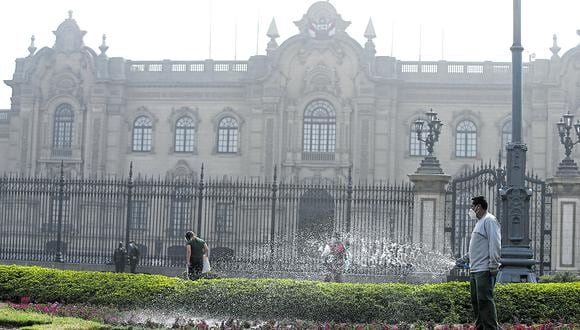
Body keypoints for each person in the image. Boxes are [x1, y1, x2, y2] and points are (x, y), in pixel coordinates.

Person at [456, 195, 501, 330]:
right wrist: (463, 259)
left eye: (472, 207)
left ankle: (491, 328)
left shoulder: (490, 221)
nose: (471, 210)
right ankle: (480, 327)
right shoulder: (480, 222)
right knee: (477, 303)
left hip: (484, 269)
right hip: (475, 270)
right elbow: (476, 248)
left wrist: (494, 264)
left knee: (485, 302)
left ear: (478, 207)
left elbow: (495, 244)